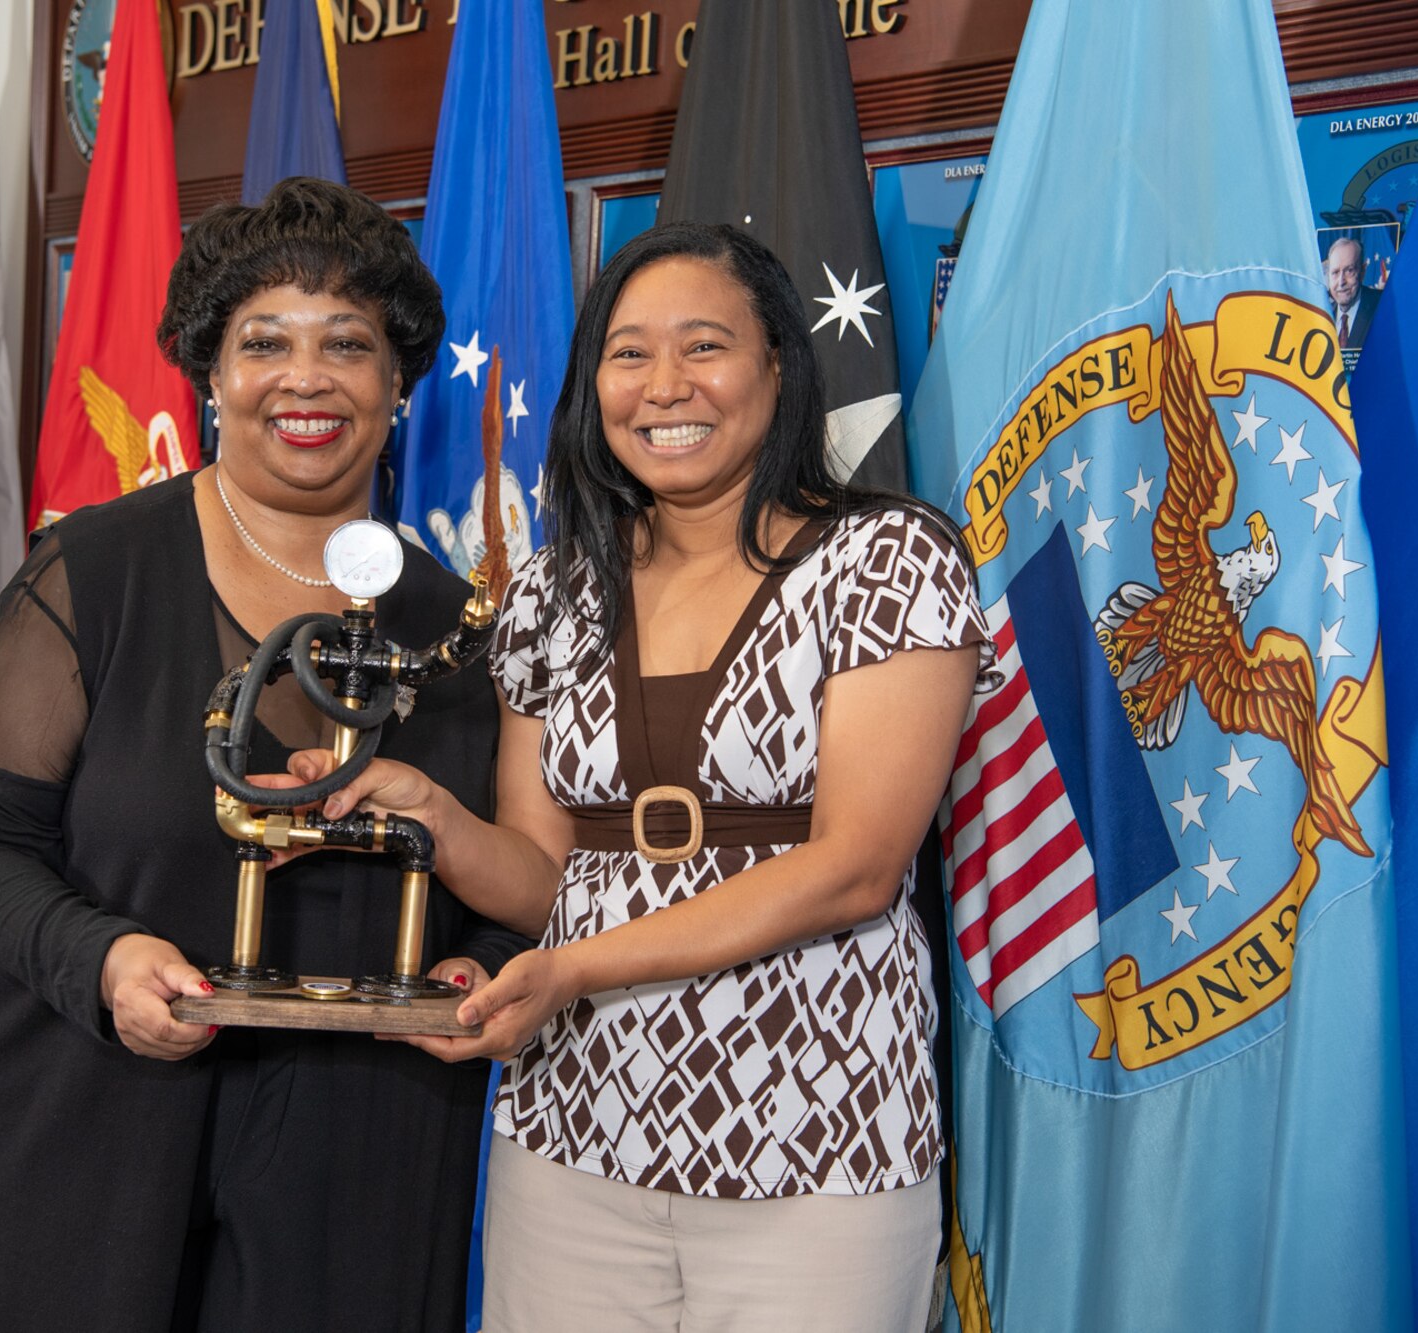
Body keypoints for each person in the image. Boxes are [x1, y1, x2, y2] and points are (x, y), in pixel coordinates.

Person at [294, 222, 994, 1330]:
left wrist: (573, 969)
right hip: (573, 1132)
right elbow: (540, 879)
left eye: (703, 345)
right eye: (627, 353)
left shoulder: (890, 558)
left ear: (776, 367)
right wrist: (429, 812)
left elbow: (855, 868)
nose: (664, 384)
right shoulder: (547, 596)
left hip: (819, 1138)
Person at [0, 177, 526, 1331]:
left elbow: (497, 869)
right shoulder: (94, 571)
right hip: (78, 1128)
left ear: (397, 383)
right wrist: (99, 959)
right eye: (264, 343)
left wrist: (473, 967)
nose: (307, 377)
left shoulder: (452, 625)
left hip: (358, 1159)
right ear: (210, 376)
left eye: (348, 342)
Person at [1324, 232, 1382, 356]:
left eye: (1349, 270)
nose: (1341, 282)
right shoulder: (1323, 317)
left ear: (1362, 272)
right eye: (1335, 272)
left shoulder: (1382, 306)